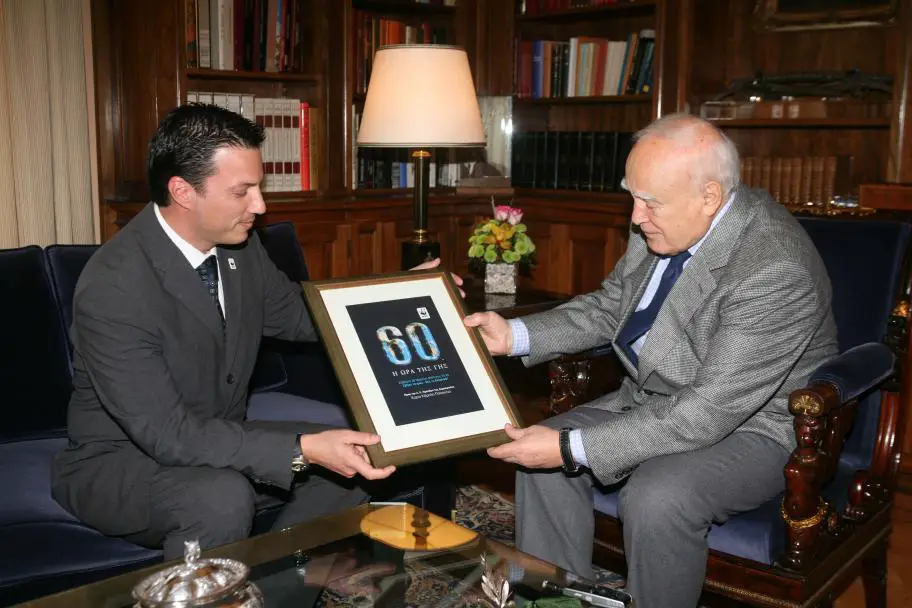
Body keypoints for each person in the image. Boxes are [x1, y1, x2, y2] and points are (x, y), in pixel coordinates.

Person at [51, 103, 457, 560]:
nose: (260, 206)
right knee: (220, 496)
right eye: (242, 191)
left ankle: (278, 578)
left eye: (259, 187)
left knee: (363, 455)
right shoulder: (114, 286)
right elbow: (167, 434)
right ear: (183, 192)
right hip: (120, 463)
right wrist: (302, 449)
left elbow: (302, 316)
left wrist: (401, 297)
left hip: (217, 434)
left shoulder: (238, 248)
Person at [464, 113, 838, 608]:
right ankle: (554, 602)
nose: (636, 217)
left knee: (657, 495)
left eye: (649, 202)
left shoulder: (774, 269)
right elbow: (612, 306)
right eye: (633, 196)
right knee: (537, 458)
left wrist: (572, 448)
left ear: (709, 196)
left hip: (754, 428)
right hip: (655, 399)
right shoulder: (666, 222)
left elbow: (708, 411)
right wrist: (513, 335)